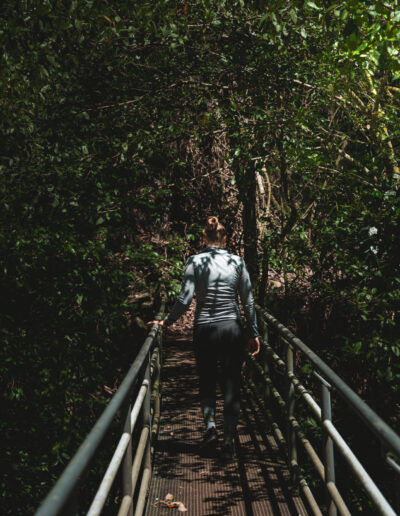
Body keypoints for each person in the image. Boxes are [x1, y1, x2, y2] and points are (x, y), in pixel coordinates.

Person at [147, 216, 260, 459]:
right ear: (225, 239)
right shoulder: (237, 262)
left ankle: (210, 428)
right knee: (231, 384)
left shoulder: (194, 261)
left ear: (204, 238)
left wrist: (166, 322)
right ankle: (229, 440)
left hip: (204, 329)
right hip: (232, 328)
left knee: (207, 380)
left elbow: (184, 300)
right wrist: (254, 332)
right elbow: (248, 301)